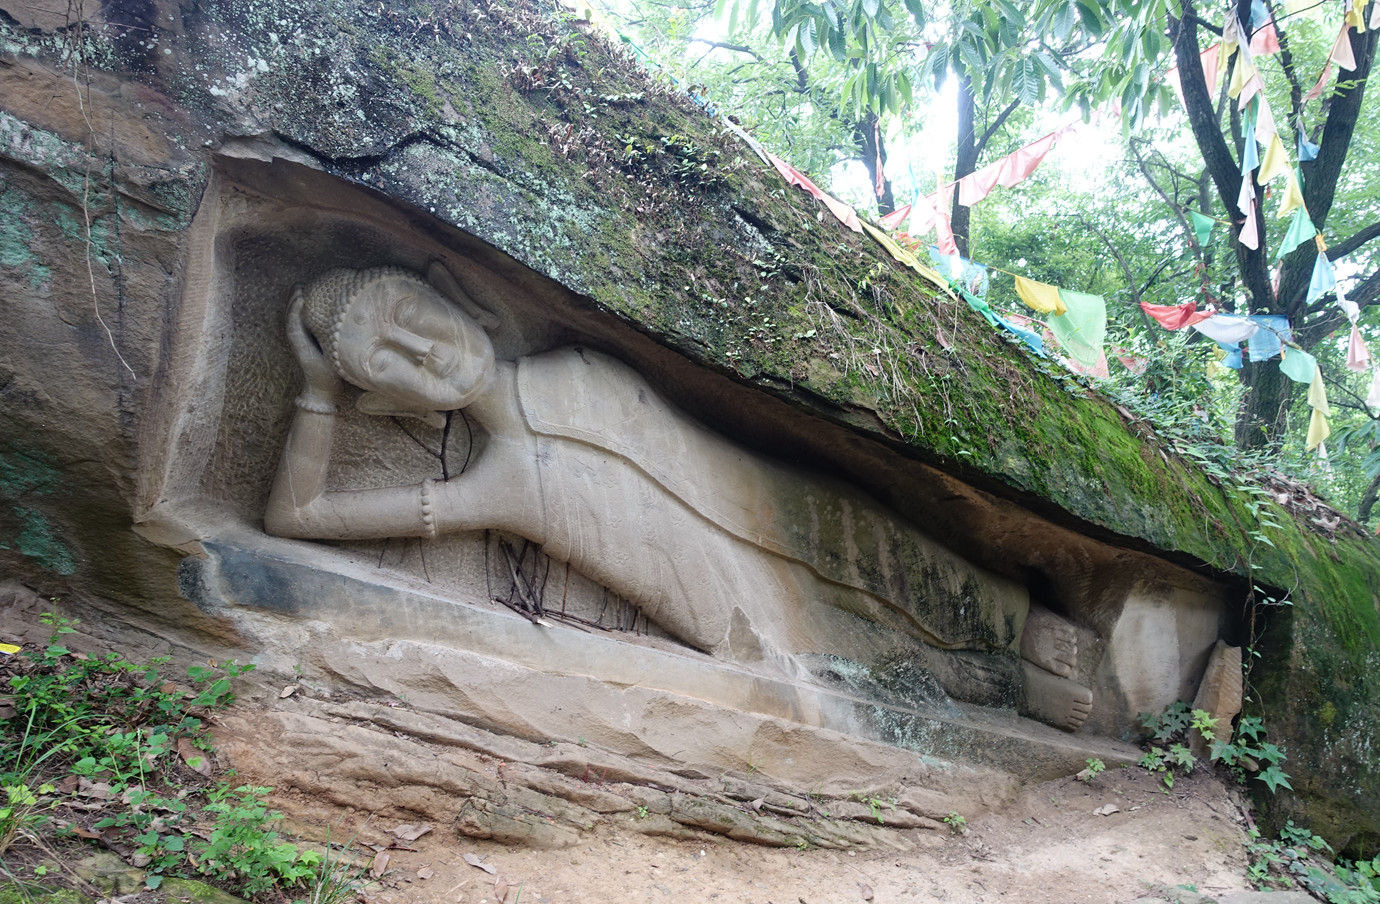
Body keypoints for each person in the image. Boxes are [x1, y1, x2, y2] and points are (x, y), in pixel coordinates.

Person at [265, 263, 1093, 730]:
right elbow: (294, 518)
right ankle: (1013, 691)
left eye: (412, 312)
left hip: (773, 500)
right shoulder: (497, 487)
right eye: (389, 365)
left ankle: (1022, 622)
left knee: (888, 550)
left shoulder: (571, 365)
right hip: (736, 603)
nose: (425, 350)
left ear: (455, 294)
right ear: (388, 402)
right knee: (863, 652)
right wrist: (316, 393)